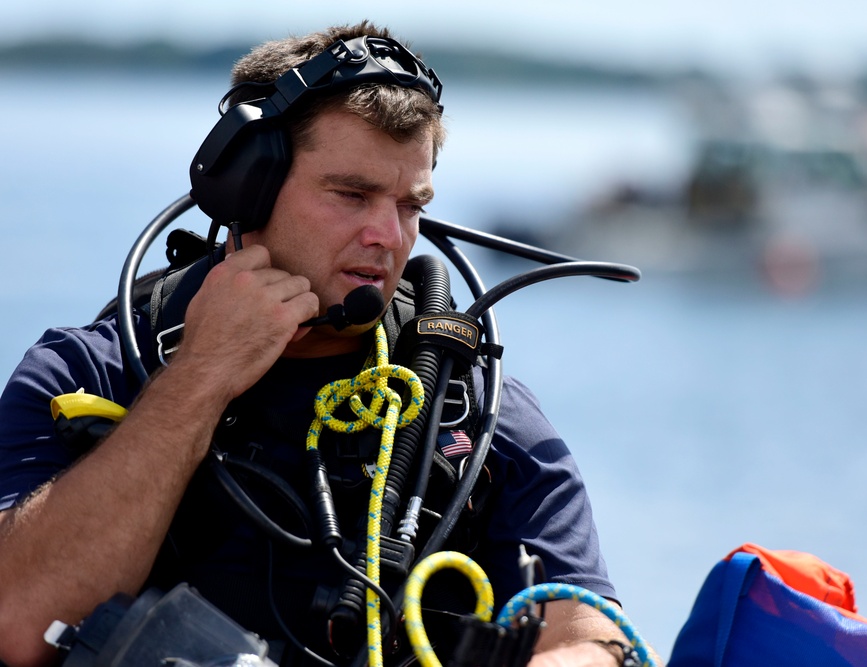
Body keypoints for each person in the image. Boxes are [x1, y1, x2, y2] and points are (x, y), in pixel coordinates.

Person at [0, 20, 649, 667]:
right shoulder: (89, 372)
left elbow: (586, 639)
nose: (388, 236)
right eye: (352, 195)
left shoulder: (477, 415)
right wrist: (202, 373)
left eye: (409, 204)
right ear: (246, 186)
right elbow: (19, 621)